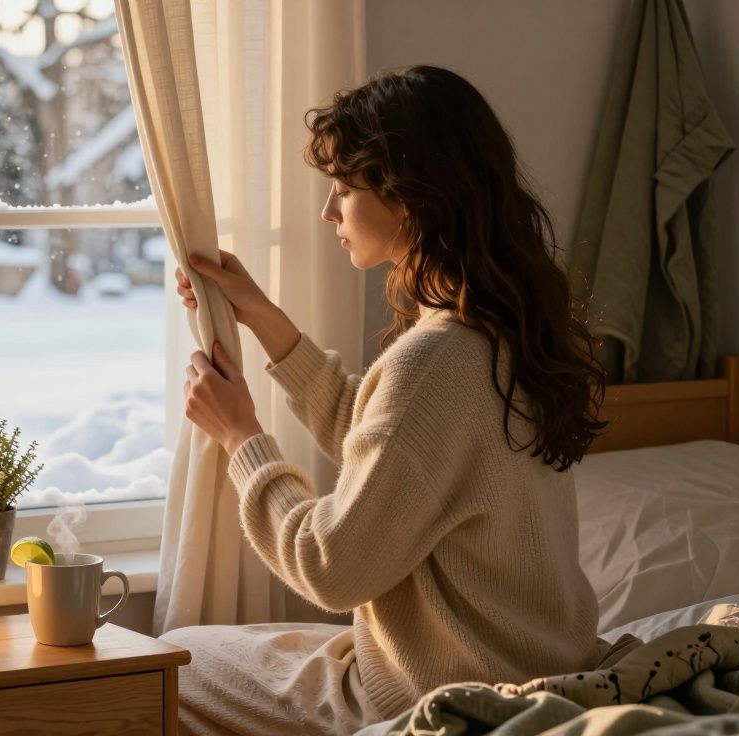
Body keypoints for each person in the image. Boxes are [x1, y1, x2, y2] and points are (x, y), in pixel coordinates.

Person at [162, 65, 609, 736]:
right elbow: (401, 459)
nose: (328, 210)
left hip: (440, 698)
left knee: (172, 668)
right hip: (542, 677)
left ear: (412, 197)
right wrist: (263, 319)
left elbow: (331, 568)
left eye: (343, 187)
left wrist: (242, 438)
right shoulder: (499, 330)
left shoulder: (435, 358)